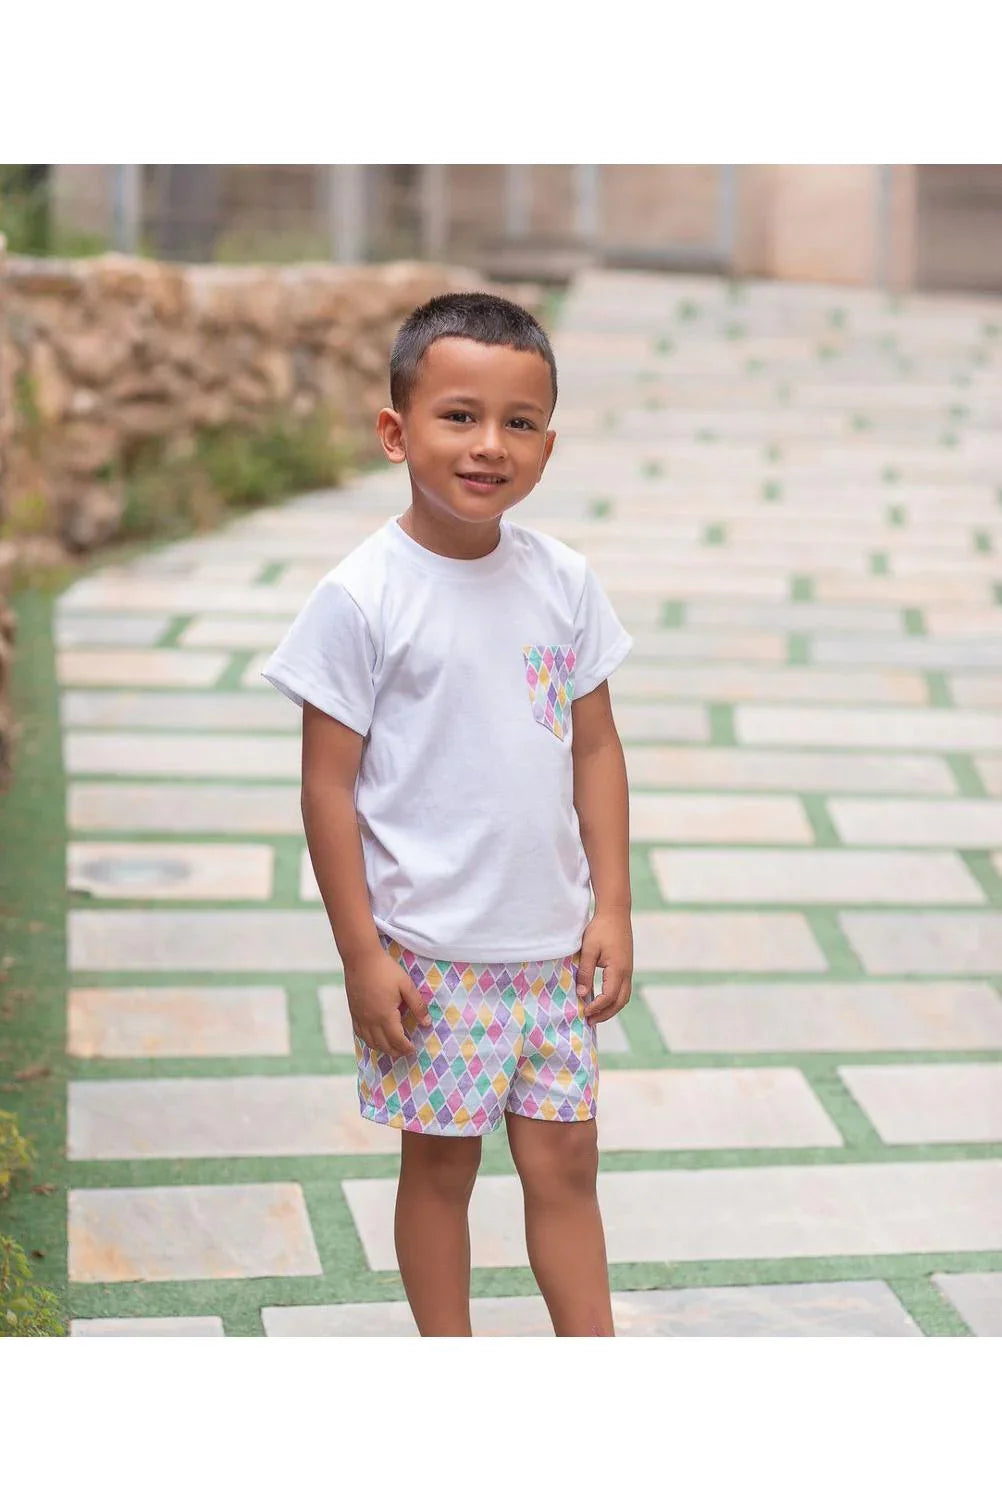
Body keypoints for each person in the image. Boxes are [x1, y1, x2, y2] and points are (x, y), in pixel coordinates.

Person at [262, 291, 633, 1337]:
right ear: (397, 431)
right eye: (459, 416)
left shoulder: (563, 582)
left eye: (519, 424)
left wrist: (613, 905)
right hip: (432, 957)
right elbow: (325, 789)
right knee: (442, 1168)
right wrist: (360, 955)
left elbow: (597, 748)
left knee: (566, 1162)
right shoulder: (363, 597)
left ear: (548, 446)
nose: (490, 446)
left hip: (552, 952)